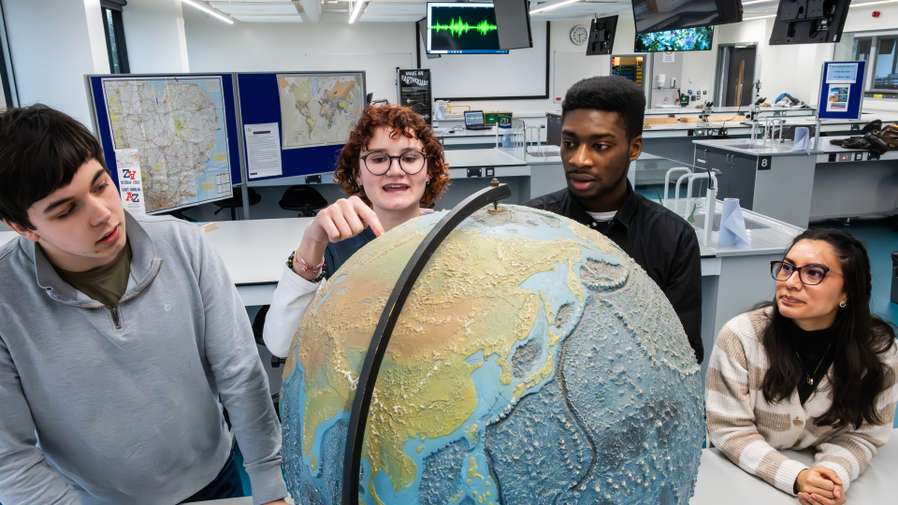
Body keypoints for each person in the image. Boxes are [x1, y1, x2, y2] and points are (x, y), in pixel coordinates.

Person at [0, 105, 288, 505]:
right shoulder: (6, 300)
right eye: (67, 210)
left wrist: (269, 481)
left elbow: (239, 373)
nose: (102, 215)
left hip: (214, 478)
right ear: (23, 228)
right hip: (90, 498)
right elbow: (9, 458)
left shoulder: (183, 245)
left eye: (100, 185)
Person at [706, 229, 898, 505]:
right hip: (742, 479)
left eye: (813, 273)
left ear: (847, 291)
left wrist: (830, 477)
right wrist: (797, 478)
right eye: (787, 268)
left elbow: (864, 435)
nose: (791, 283)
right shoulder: (740, 337)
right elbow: (728, 431)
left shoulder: (880, 352)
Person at [527, 75, 703, 363]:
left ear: (634, 148)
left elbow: (685, 352)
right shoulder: (535, 225)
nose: (578, 159)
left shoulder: (672, 239)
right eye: (569, 143)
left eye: (600, 146)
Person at [262, 104, 450, 358]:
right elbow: (280, 344)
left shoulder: (454, 236)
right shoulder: (334, 246)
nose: (395, 170)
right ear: (357, 174)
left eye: (409, 158)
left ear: (429, 171)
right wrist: (312, 240)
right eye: (378, 159)